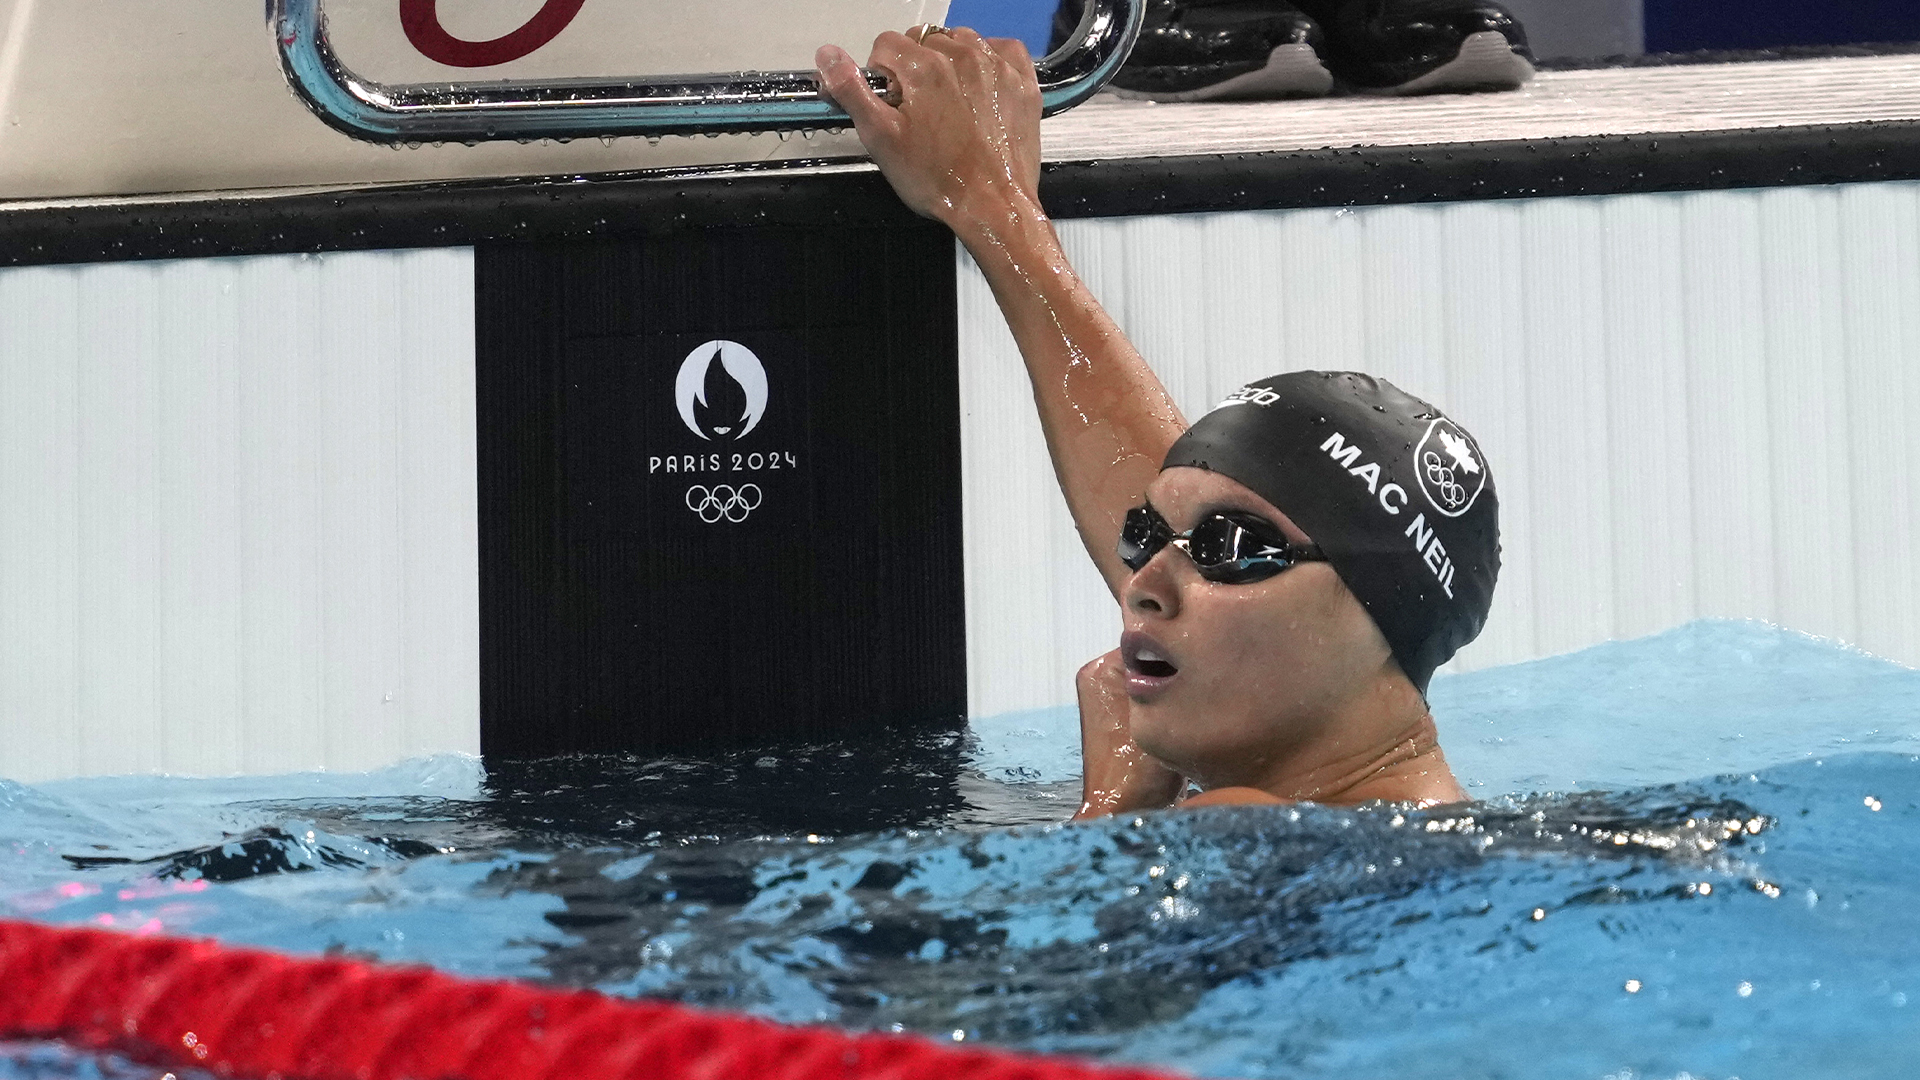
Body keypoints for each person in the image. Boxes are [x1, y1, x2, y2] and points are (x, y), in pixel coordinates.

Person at [815, 27, 1499, 819]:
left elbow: (1065, 943)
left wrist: (1116, 809)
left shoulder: (1245, 828)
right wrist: (995, 208)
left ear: (1385, 610)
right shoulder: (1420, 819)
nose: (1142, 588)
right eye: (1146, 536)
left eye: (1234, 549)